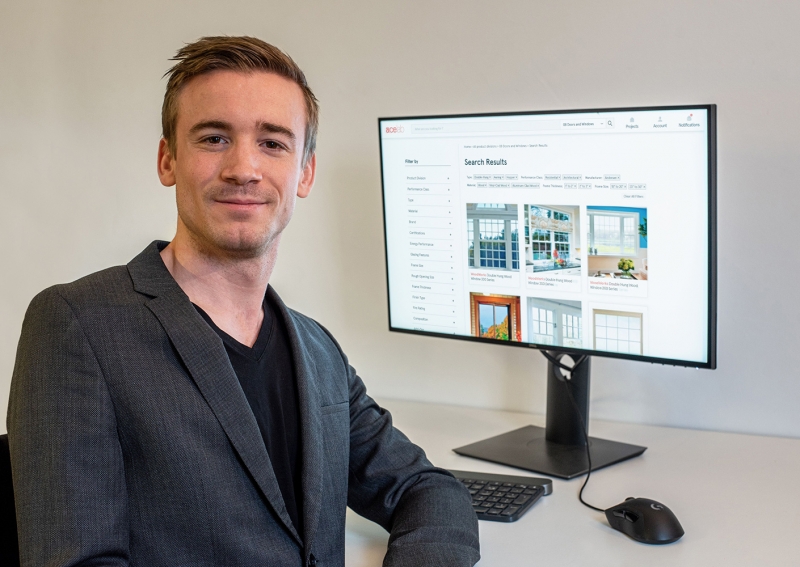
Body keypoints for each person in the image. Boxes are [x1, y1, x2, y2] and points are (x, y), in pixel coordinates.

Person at [7, 36, 480, 567]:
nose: (244, 168)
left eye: (273, 143)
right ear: (168, 160)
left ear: (304, 172)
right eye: (213, 138)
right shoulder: (77, 325)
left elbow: (428, 491)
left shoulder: (317, 350)